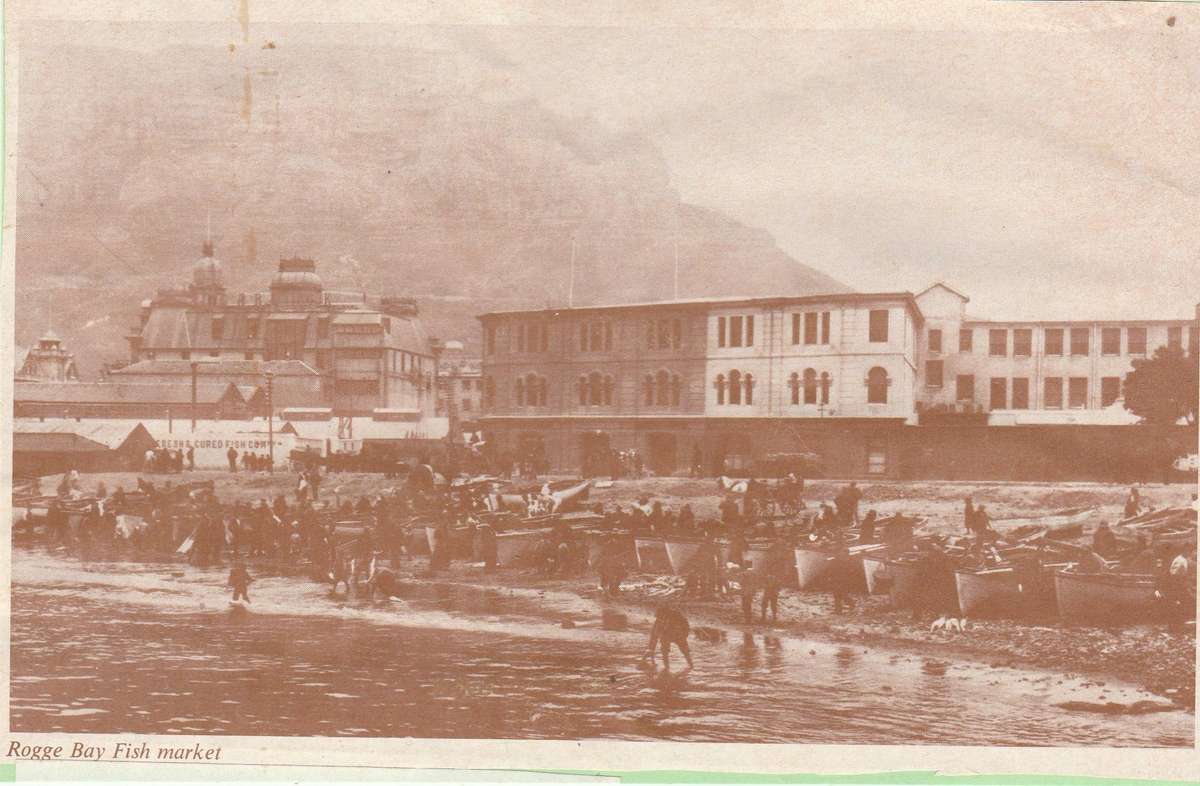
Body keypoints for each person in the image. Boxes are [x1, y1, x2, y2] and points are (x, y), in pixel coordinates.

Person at [643, 603, 693, 671]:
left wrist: (684, 635)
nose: (660, 618)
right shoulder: (658, 621)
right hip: (666, 636)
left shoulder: (676, 616)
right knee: (664, 651)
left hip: (678, 635)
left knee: (685, 651)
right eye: (659, 617)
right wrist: (651, 649)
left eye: (661, 616)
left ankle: (691, 665)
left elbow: (686, 626)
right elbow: (654, 635)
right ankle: (667, 668)